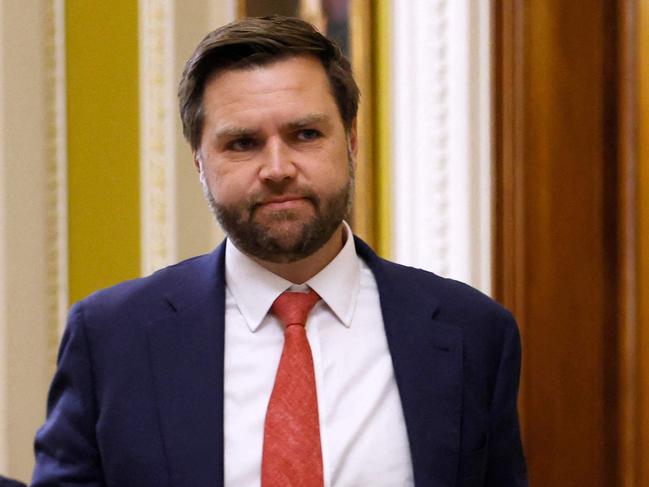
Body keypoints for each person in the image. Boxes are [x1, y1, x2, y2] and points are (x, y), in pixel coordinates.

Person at [32, 15, 528, 487]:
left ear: (351, 141)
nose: (277, 168)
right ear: (199, 162)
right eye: (243, 143)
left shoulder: (472, 333)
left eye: (306, 134)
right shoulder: (112, 340)